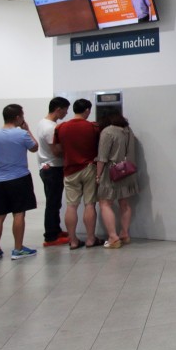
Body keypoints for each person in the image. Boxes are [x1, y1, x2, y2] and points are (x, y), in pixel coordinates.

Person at [0, 104, 40, 260]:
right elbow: (35, 147)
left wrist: (2, 161)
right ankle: (18, 249)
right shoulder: (21, 134)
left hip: (0, 180)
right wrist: (27, 129)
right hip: (20, 178)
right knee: (19, 214)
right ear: (18, 117)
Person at [54, 99, 102, 250]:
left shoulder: (61, 127)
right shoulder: (93, 127)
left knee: (71, 206)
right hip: (89, 167)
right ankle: (90, 239)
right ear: (87, 110)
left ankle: (73, 240)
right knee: (89, 204)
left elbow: (57, 150)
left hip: (69, 170)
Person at [95, 111, 139, 249]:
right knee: (124, 203)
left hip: (112, 172)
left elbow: (102, 157)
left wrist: (98, 174)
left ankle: (113, 237)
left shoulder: (107, 132)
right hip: (128, 171)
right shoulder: (128, 131)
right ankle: (124, 234)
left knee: (105, 203)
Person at [37, 97, 70, 247]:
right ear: (58, 109)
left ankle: (55, 230)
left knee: (54, 201)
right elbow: (56, 151)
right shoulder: (51, 128)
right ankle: (50, 236)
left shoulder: (43, 122)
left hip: (46, 167)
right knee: (53, 202)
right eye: (65, 110)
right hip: (52, 168)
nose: (66, 113)